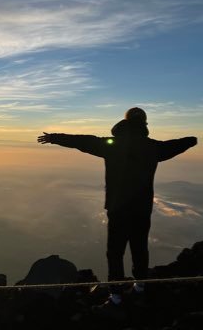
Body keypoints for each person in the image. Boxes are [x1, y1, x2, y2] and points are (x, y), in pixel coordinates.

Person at [37, 108, 197, 311]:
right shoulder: (153, 148)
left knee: (115, 253)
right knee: (139, 248)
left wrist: (54, 137)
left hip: (117, 209)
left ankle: (116, 296)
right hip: (141, 209)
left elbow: (84, 141)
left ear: (125, 122)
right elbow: (180, 144)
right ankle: (140, 286)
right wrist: (193, 139)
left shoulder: (111, 145)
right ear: (144, 124)